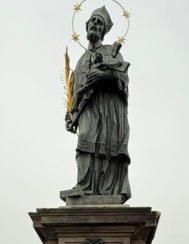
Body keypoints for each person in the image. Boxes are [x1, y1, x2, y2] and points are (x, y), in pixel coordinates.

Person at [62, 6, 131, 203]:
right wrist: (70, 114)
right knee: (84, 139)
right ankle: (83, 186)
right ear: (86, 26)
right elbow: (76, 90)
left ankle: (106, 190)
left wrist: (103, 75)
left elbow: (122, 76)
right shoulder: (82, 60)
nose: (95, 25)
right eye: (92, 21)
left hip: (108, 109)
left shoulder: (111, 51)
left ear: (104, 30)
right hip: (87, 109)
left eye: (99, 23)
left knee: (104, 145)